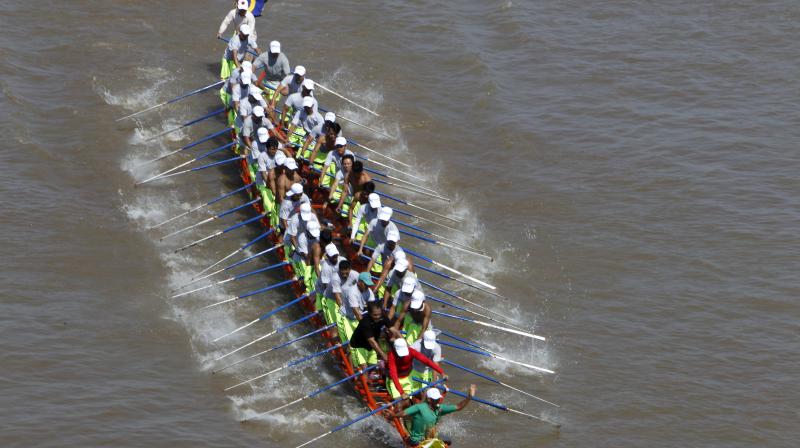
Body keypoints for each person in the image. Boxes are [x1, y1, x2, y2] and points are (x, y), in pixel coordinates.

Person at [385, 385, 476, 447]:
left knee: (448, 441)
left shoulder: (440, 408)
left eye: (438, 399)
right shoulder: (419, 407)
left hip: (430, 439)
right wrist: (392, 416)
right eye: (435, 399)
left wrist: (469, 397)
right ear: (429, 399)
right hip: (416, 440)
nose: (437, 401)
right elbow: (403, 413)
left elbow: (458, 407)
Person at [349, 301, 391, 370]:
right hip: (358, 346)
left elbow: (394, 330)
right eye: (375, 315)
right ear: (369, 313)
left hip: (369, 346)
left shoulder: (383, 317)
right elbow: (372, 341)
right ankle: (357, 378)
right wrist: (384, 356)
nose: (378, 317)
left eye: (379, 314)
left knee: (373, 368)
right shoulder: (365, 322)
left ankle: (367, 378)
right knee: (364, 368)